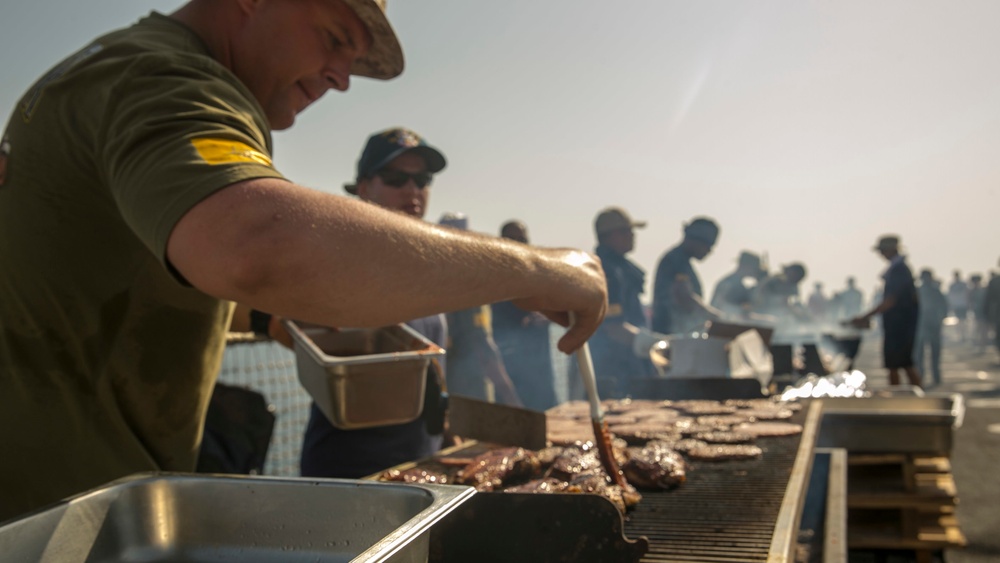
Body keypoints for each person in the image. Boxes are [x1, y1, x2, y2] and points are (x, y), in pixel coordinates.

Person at [0, 0, 607, 521]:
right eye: (336, 37)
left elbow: (123, 269)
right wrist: (534, 269)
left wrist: (263, 322)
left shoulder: (118, 70)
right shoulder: (163, 77)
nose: (343, 77)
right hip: (47, 520)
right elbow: (254, 242)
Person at [299, 127, 450, 478]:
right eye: (396, 178)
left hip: (421, 467)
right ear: (363, 188)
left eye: (422, 179)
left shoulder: (433, 270)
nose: (412, 190)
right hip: (350, 474)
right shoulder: (339, 262)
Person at [439, 213, 523, 407]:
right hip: (472, 392)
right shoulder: (469, 285)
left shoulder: (435, 283)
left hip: (446, 392)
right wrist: (511, 398)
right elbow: (482, 345)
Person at [589, 207, 663, 397]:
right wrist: (656, 345)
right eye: (626, 231)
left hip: (630, 361)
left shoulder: (620, 268)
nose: (632, 236)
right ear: (610, 235)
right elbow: (613, 327)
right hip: (614, 367)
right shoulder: (608, 271)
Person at [491, 221, 558, 411]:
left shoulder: (538, 276)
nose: (518, 244)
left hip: (540, 370)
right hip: (511, 370)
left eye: (522, 239)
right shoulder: (494, 281)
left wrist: (546, 316)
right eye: (512, 239)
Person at [851, 235, 921, 387]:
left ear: (891, 250)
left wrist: (866, 316)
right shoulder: (897, 268)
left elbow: (890, 301)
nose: (881, 255)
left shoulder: (899, 270)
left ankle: (898, 397)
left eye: (883, 251)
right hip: (899, 324)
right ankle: (910, 395)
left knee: (897, 364)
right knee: (901, 363)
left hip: (900, 325)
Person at [651, 217, 724, 335]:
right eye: (708, 245)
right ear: (696, 240)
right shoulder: (676, 261)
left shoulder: (681, 262)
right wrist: (716, 317)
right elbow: (683, 296)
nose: (709, 251)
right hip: (671, 335)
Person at [913, 269, 948, 387]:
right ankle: (922, 376)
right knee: (920, 353)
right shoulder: (919, 291)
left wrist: (940, 319)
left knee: (934, 353)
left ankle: (935, 376)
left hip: (932, 325)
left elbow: (944, 307)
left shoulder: (935, 291)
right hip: (921, 325)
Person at [710, 251, 766, 319]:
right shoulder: (733, 285)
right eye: (754, 268)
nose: (755, 271)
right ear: (747, 266)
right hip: (724, 323)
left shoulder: (728, 282)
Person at [946, 270, 970, 342]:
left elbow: (967, 294)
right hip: (959, 305)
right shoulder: (953, 285)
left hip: (962, 304)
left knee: (963, 321)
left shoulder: (961, 284)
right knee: (960, 321)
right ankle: (961, 336)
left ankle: (963, 335)